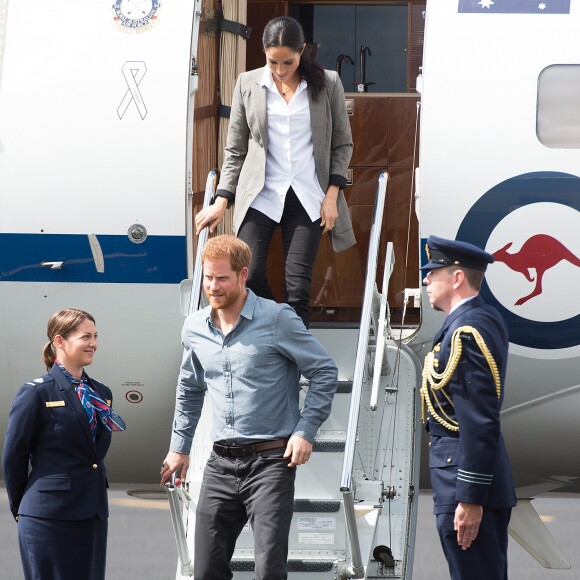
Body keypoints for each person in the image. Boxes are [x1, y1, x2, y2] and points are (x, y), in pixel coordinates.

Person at [160, 235, 338, 579]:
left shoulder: (277, 319)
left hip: (270, 463)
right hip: (220, 464)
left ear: (243, 276)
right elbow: (189, 388)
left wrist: (305, 430)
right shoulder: (195, 327)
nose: (213, 286)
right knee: (207, 570)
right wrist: (179, 448)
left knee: (269, 570)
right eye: (208, 278)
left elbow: (324, 370)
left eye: (222, 278)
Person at [194, 15, 355, 328]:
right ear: (264, 53)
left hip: (308, 196)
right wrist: (221, 199)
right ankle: (276, 330)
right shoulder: (247, 83)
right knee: (249, 275)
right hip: (261, 195)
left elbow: (343, 145)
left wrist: (332, 194)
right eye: (273, 63)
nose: (281, 71)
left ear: (303, 51)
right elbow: (235, 149)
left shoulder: (328, 83)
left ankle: (295, 368)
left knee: (298, 288)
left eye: (288, 63)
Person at [2, 308, 125, 580]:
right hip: (48, 516)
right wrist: (21, 508)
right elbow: (14, 456)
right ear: (60, 341)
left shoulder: (101, 394)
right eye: (85, 337)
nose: (94, 343)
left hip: (92, 514)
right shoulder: (36, 393)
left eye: (95, 336)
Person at [420, 235, 517, 580]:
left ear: (457, 278)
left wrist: (471, 497)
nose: (425, 280)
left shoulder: (466, 332)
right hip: (463, 481)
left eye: (434, 272)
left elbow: (479, 421)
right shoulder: (476, 320)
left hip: (464, 485)